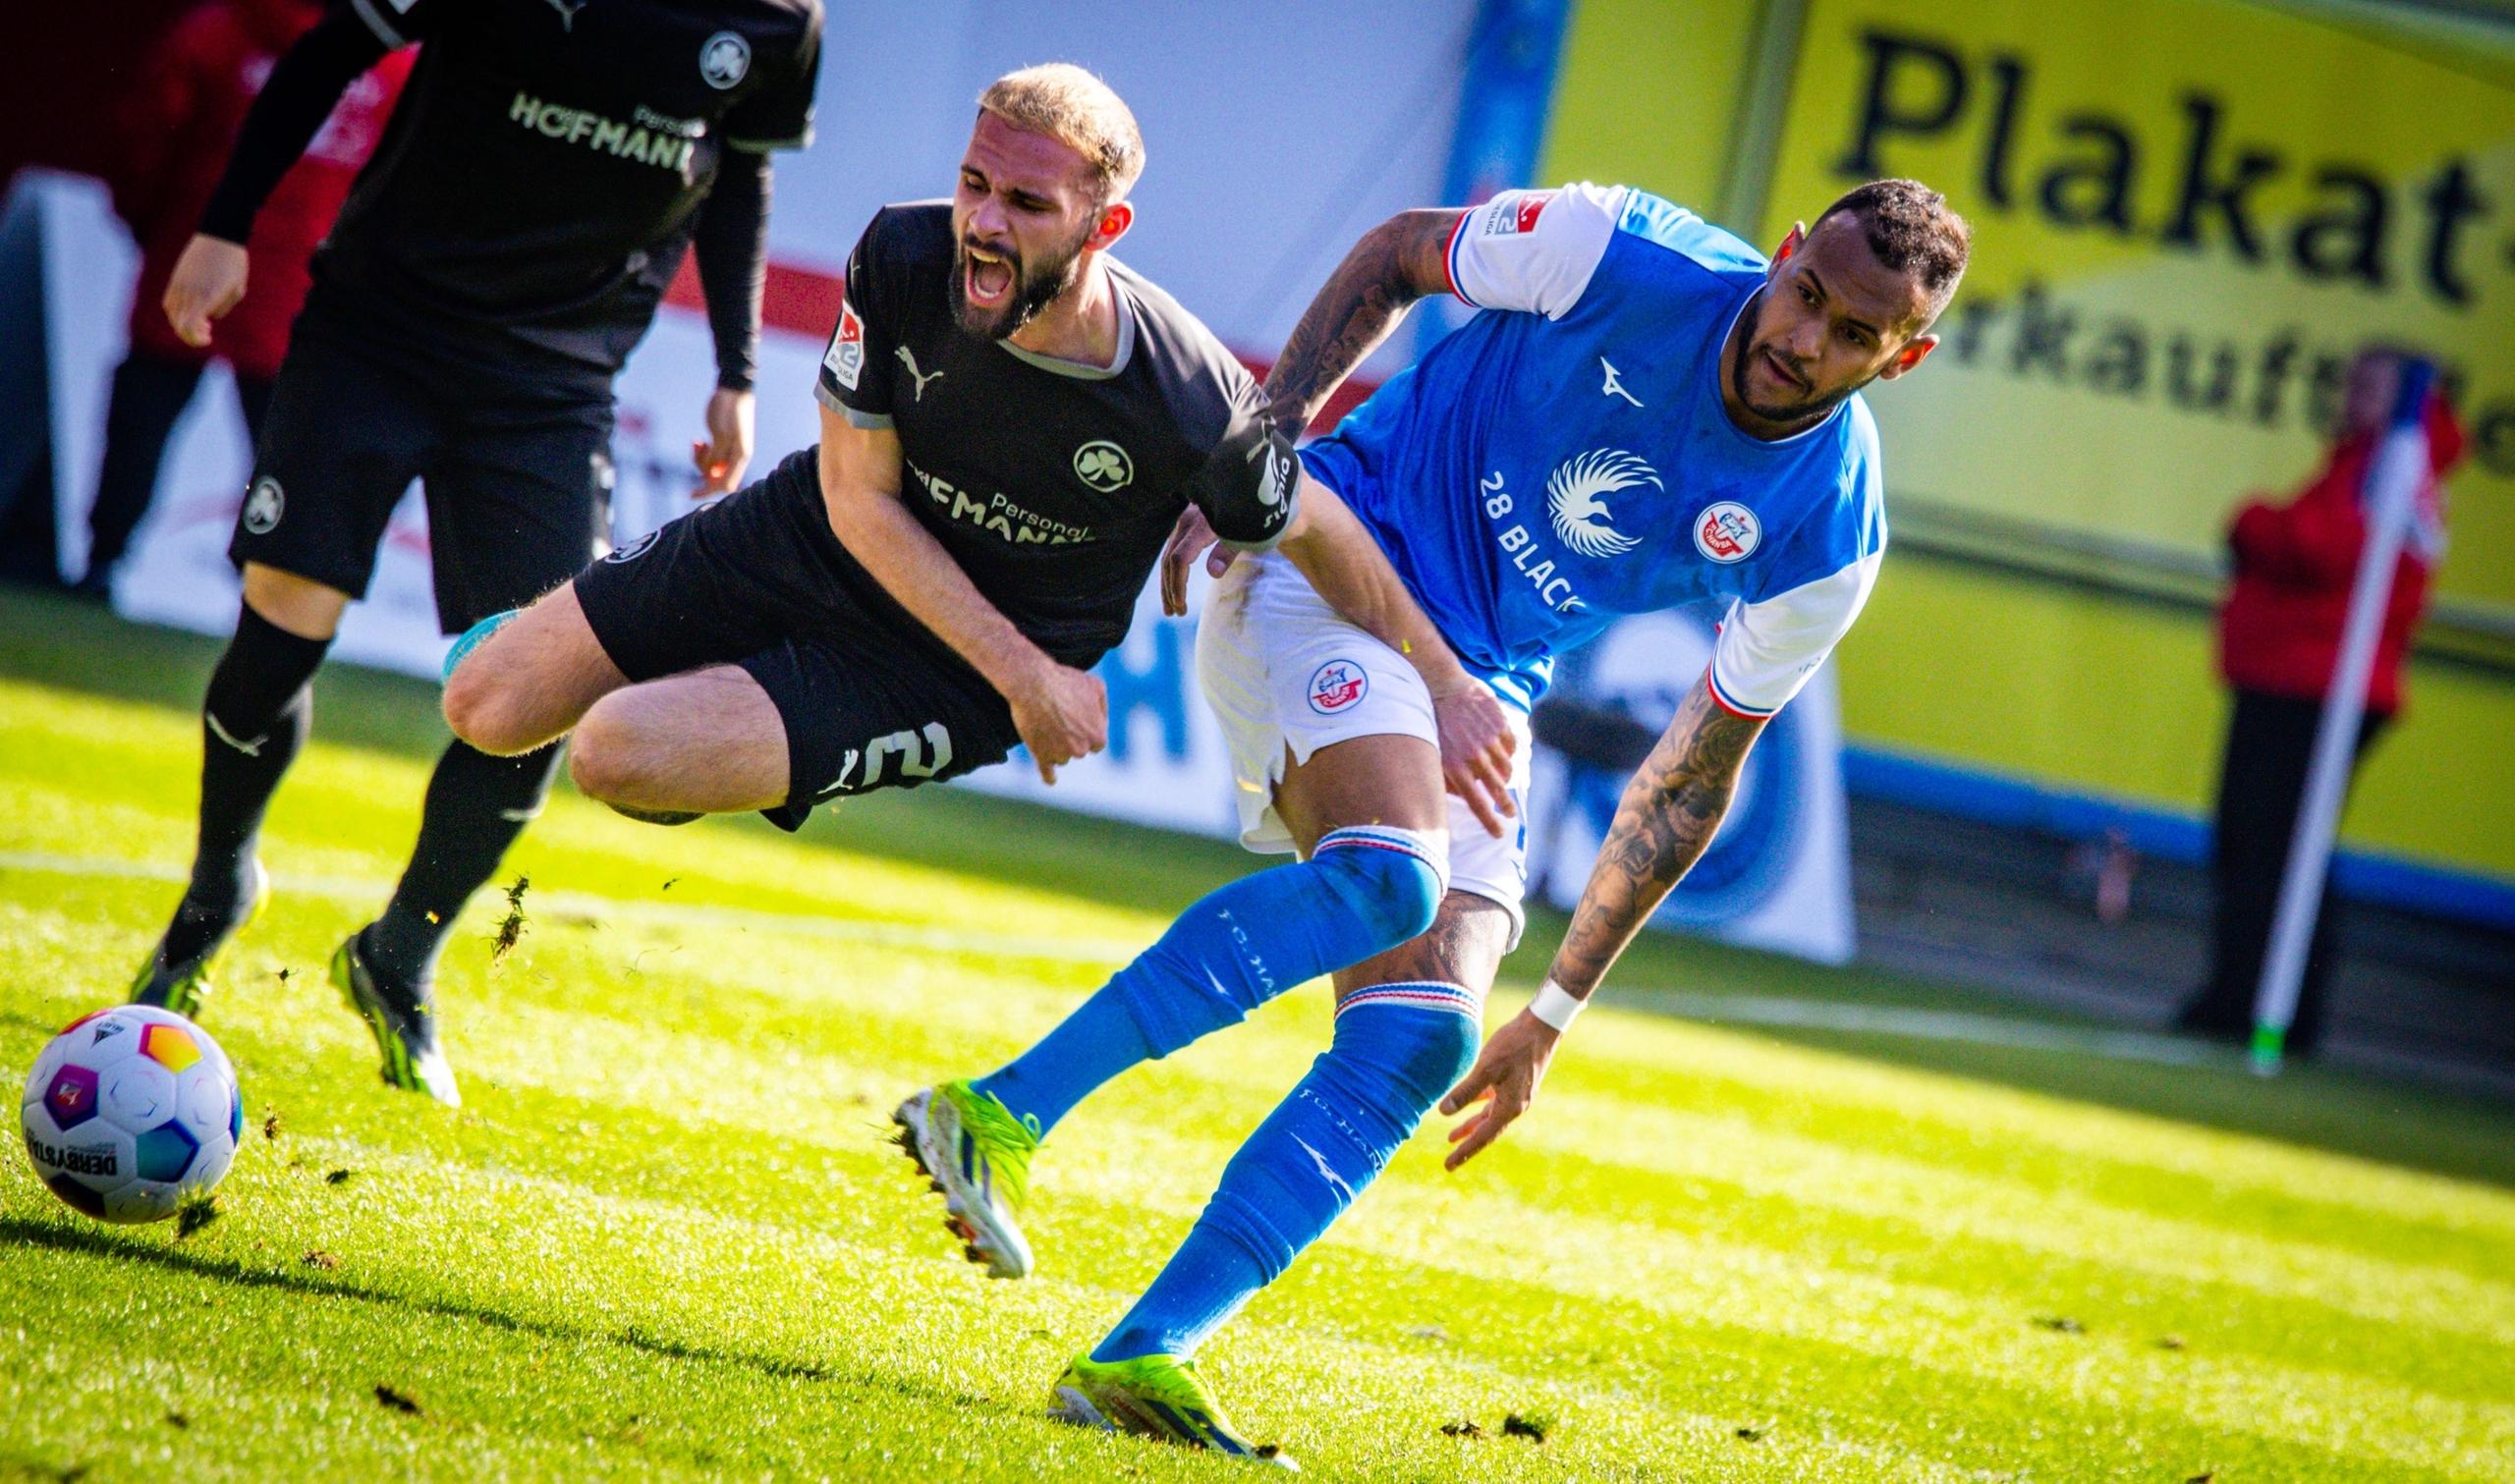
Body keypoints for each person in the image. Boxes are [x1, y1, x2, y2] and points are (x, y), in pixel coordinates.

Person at [897, 178, 1970, 1462]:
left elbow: (1691, 777)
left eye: (1855, 335)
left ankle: (1143, 1351)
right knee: (1389, 876)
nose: (1805, 339)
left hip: (1477, 682)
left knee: (1424, 1031)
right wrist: (1257, 453)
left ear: (1904, 359)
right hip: (1328, 560)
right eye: (1805, 295)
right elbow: (1398, 252)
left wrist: (1552, 1011)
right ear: (1786, 253)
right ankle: (1000, 1109)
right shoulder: (1617, 251)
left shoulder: (1830, 531)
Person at [438, 66, 1511, 911]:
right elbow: (858, 497)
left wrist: (1451, 686)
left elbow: (1320, 530)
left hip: (939, 675)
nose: (984, 223)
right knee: (483, 707)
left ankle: (717, 703)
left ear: (1103, 226)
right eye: (974, 185)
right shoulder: (902, 252)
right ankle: (665, 673)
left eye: (1027, 203)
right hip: (818, 539)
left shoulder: (1191, 401)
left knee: (614, 750)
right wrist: (1032, 678)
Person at [128, 0, 824, 1109]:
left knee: (544, 687)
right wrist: (225, 225)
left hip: (552, 388)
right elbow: (332, 48)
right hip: (376, 332)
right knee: (284, 619)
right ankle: (216, 891)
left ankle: (398, 954)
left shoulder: (780, 22)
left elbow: (741, 172)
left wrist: (737, 370)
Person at [2175, 350, 2462, 1057]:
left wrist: (2252, 521)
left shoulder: (2395, 461)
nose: (2351, 396)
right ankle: (2258, 999)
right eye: (2350, 382)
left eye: (2369, 385)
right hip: (2308, 678)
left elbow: (2325, 549)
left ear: (2407, 398)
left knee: (2274, 846)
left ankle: (2257, 1003)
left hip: (2316, 684)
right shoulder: (2372, 461)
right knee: (2276, 844)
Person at [82, 0, 411, 598]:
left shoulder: (219, 31)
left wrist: (154, 226)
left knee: (144, 418)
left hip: (196, 258)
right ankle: (266, 593)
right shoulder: (394, 61)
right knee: (290, 452)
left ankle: (103, 558)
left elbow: (142, 140)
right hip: (306, 286)